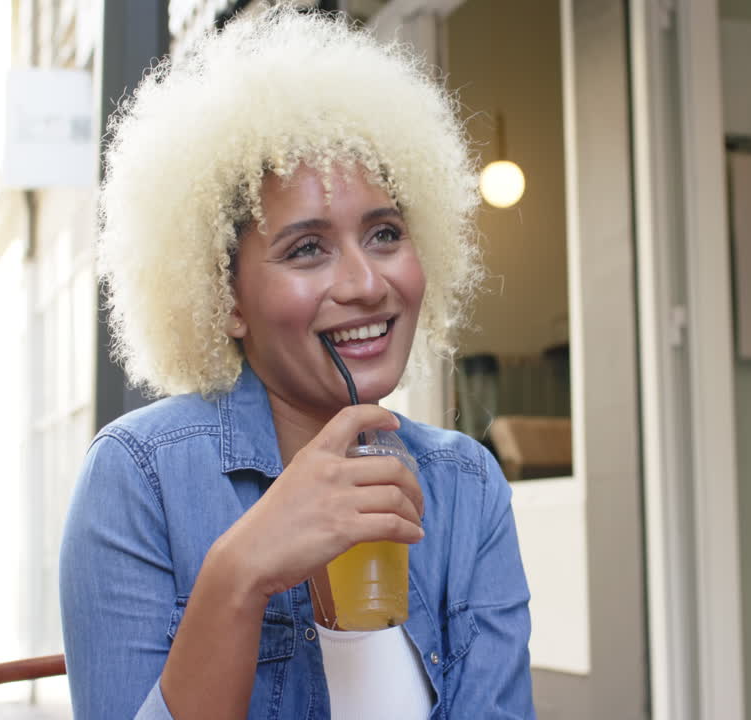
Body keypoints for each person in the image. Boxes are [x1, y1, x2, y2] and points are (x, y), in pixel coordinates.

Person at [59, 8, 534, 719]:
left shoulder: (467, 487)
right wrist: (240, 572)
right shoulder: (139, 479)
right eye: (307, 248)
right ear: (225, 297)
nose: (365, 283)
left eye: (384, 233)